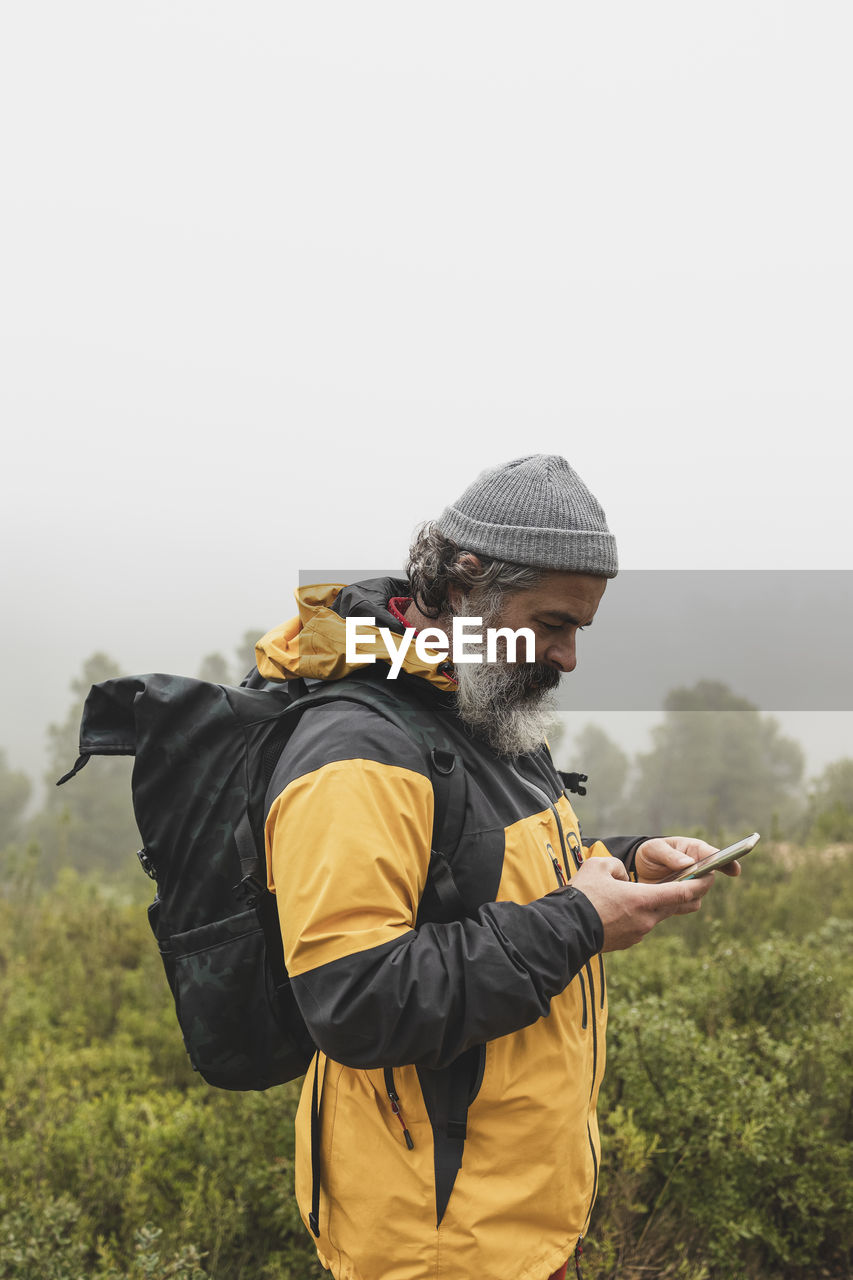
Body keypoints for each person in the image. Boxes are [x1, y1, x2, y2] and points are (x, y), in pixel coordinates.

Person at [261, 455, 737, 1280]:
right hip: (433, 1243)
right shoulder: (359, 750)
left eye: (577, 629)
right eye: (552, 623)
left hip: (512, 1219)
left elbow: (487, 869)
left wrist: (623, 860)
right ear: (466, 583)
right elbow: (354, 999)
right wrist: (580, 921)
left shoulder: (478, 706)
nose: (566, 656)